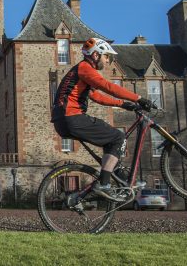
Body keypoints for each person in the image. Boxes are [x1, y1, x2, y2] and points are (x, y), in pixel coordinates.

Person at [51, 37, 154, 202]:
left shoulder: (80, 72)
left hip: (63, 121)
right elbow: (108, 87)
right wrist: (139, 98)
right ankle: (103, 184)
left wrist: (123, 104)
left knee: (111, 141)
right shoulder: (85, 68)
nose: (108, 61)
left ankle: (119, 177)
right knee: (118, 137)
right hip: (72, 118)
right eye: (107, 56)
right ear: (96, 55)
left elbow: (96, 97)